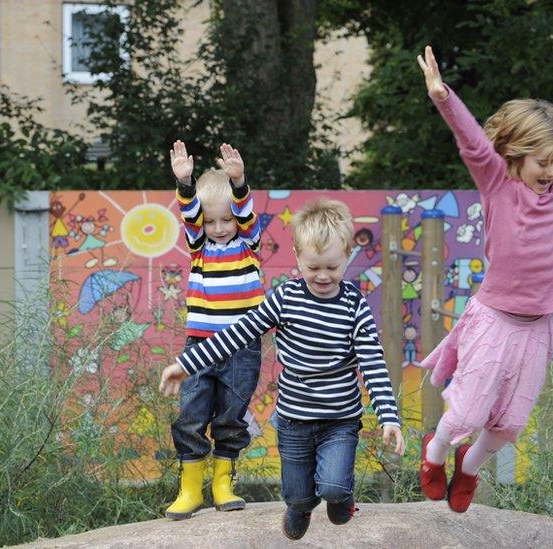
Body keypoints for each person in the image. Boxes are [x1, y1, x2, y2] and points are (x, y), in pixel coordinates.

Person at [415, 36, 553, 512]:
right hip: (494, 319)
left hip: (540, 324)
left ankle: (468, 469)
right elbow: (473, 140)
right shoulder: (497, 182)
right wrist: (443, 98)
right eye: (543, 162)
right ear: (514, 154)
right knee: (467, 412)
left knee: (509, 423)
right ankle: (435, 453)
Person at [159, 198, 404, 540]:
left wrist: (388, 416)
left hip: (339, 420)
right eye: (313, 266)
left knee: (333, 487)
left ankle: (341, 496)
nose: (322, 276)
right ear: (298, 256)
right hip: (293, 420)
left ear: (348, 255)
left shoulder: (354, 305)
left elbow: (372, 361)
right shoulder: (286, 297)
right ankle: (301, 505)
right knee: (298, 495)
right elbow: (238, 333)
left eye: (332, 268)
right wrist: (187, 364)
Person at [164, 140, 266, 520]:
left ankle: (222, 482)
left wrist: (239, 182)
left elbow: (245, 211)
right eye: (211, 221)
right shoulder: (199, 247)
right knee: (191, 414)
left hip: (242, 347)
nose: (219, 228)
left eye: (226, 220)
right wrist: (186, 183)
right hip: (200, 345)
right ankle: (190, 487)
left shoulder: (248, 244)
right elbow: (190, 214)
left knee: (230, 415)